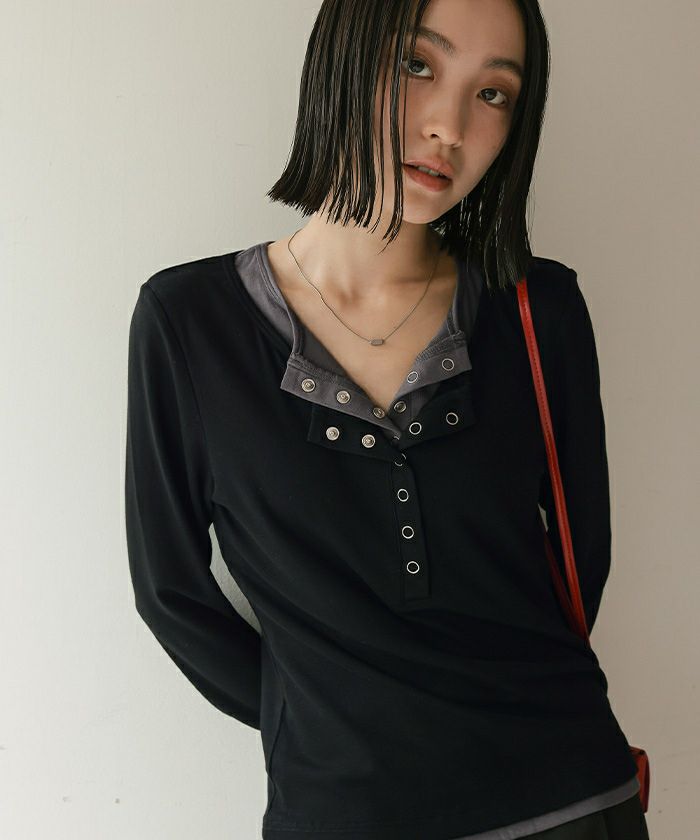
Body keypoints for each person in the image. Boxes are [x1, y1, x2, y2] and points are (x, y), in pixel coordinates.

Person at [125, 0, 650, 838]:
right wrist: (320, 722)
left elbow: (579, 561)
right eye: (416, 65)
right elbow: (171, 593)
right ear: (343, 57)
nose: (449, 126)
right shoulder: (190, 321)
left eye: (494, 94)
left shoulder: (538, 309)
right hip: (342, 812)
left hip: (570, 801)